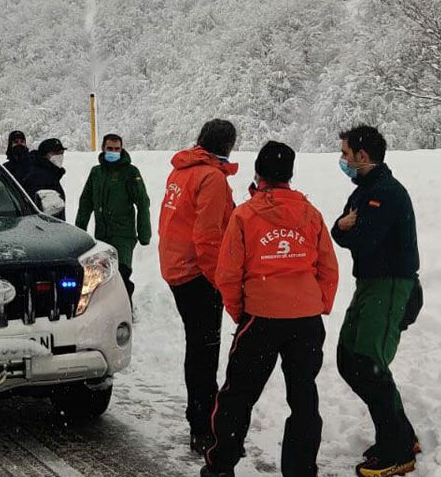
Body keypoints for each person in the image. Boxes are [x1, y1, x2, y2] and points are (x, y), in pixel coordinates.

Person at [202, 141, 339, 477]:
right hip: (305, 322)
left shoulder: (245, 215)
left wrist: (241, 313)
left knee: (237, 397)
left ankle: (221, 466)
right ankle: (301, 470)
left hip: (261, 319)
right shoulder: (310, 213)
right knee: (304, 398)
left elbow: (228, 274)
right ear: (290, 175)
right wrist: (315, 303)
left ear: (258, 173)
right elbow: (329, 268)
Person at [331, 125, 423, 477]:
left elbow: (364, 239)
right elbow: (342, 233)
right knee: (348, 358)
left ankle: (398, 450)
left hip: (391, 287)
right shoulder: (365, 191)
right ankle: (399, 433)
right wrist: (343, 227)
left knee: (369, 363)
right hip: (368, 285)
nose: (343, 159)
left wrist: (347, 229)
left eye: (345, 154)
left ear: (362, 156)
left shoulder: (385, 192)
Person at [158, 118, 238, 454]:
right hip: (197, 273)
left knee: (198, 347)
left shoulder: (181, 169)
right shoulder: (211, 178)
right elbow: (207, 237)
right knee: (204, 351)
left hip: (175, 265)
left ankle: (201, 418)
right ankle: (203, 426)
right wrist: (220, 279)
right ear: (228, 146)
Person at [75, 133, 151, 299]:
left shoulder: (130, 172)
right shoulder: (96, 173)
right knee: (102, 277)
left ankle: (126, 312)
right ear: (103, 148)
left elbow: (143, 202)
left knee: (121, 275)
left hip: (123, 235)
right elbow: (85, 202)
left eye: (117, 149)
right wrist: (79, 231)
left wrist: (144, 234)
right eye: (110, 148)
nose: (113, 152)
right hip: (102, 235)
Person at [22, 138, 67, 220]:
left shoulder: (52, 174)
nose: (60, 156)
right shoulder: (39, 177)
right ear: (44, 155)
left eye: (61, 153)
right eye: (55, 153)